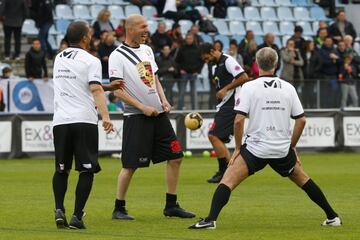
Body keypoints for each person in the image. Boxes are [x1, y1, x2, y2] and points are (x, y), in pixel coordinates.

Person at [189, 47, 341, 229]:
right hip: (281, 149)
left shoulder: (249, 87)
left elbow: (238, 121)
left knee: (227, 181)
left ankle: (210, 220)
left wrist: (237, 149)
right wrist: (291, 146)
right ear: (276, 64)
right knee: (305, 181)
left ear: (256, 64)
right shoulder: (288, 87)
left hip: (255, 149)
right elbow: (301, 120)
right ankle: (332, 217)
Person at [108, 14, 195, 220]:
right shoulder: (117, 55)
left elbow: (153, 78)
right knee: (130, 165)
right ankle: (119, 208)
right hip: (136, 117)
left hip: (159, 115)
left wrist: (163, 100)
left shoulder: (147, 50)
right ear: (130, 29)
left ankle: (171, 205)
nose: (147, 30)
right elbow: (117, 91)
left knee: (176, 156)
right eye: (143, 26)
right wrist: (142, 107)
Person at [52, 21, 118, 229]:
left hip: (61, 121)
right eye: (89, 34)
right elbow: (94, 90)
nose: (91, 36)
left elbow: (80, 84)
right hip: (84, 120)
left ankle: (59, 209)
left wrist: (106, 86)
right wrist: (106, 116)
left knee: (61, 169)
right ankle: (77, 216)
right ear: (84, 38)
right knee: (86, 170)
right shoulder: (92, 60)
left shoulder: (59, 58)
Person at [199, 43, 249, 183]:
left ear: (212, 51)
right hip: (224, 105)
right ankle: (228, 171)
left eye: (206, 57)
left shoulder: (227, 60)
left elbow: (244, 77)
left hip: (232, 105)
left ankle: (224, 172)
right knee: (217, 138)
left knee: (213, 136)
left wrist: (225, 89)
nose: (206, 61)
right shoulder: (215, 65)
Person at [175, 33, 203, 110]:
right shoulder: (182, 48)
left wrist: (198, 71)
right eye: (187, 38)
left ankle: (194, 110)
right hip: (184, 74)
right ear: (185, 39)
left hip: (194, 74)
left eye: (190, 38)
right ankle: (179, 110)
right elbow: (177, 61)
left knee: (193, 93)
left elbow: (202, 61)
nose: (188, 40)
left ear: (193, 39)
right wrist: (180, 69)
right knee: (182, 92)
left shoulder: (197, 49)